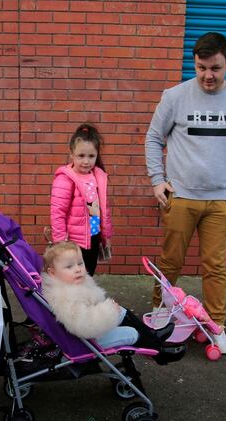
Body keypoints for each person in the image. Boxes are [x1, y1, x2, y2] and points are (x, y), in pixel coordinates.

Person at [144, 32, 226, 355]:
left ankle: (216, 325)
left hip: (221, 201)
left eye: (215, 68)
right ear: (194, 63)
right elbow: (153, 138)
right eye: (201, 67)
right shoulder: (175, 96)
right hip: (181, 197)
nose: (208, 75)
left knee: (215, 265)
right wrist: (157, 180)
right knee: (170, 262)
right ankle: (161, 316)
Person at [40, 241, 177, 361]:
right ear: (52, 273)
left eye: (80, 263)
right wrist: (108, 310)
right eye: (69, 267)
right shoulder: (65, 297)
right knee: (131, 333)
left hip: (90, 331)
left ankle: (152, 336)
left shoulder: (71, 285)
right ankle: (160, 353)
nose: (77, 269)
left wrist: (110, 309)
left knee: (122, 312)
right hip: (85, 340)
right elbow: (84, 327)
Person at [50, 123, 112, 276]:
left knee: (88, 274)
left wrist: (106, 236)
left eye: (91, 156)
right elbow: (58, 213)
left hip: (93, 237)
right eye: (81, 156)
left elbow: (105, 209)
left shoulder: (98, 176)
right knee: (73, 278)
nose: (86, 161)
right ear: (71, 154)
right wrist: (60, 244)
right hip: (73, 242)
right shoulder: (65, 179)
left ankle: (84, 299)